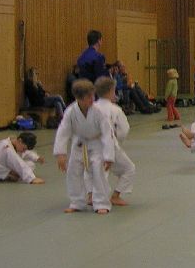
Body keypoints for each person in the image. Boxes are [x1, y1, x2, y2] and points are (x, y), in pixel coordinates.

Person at [54, 79, 115, 214]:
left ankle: (101, 203)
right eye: (88, 97)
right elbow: (63, 131)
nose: (92, 99)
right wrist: (61, 153)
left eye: (93, 95)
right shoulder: (71, 111)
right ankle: (77, 202)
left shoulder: (99, 111)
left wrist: (109, 156)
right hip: (79, 143)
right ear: (79, 98)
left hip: (96, 143)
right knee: (73, 171)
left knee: (98, 171)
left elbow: (107, 133)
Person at [93, 76, 135, 206]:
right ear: (112, 91)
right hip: (110, 146)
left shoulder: (90, 108)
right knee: (129, 168)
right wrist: (118, 140)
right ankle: (115, 196)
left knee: (93, 171)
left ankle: (90, 196)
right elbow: (124, 129)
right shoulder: (115, 109)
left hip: (90, 146)